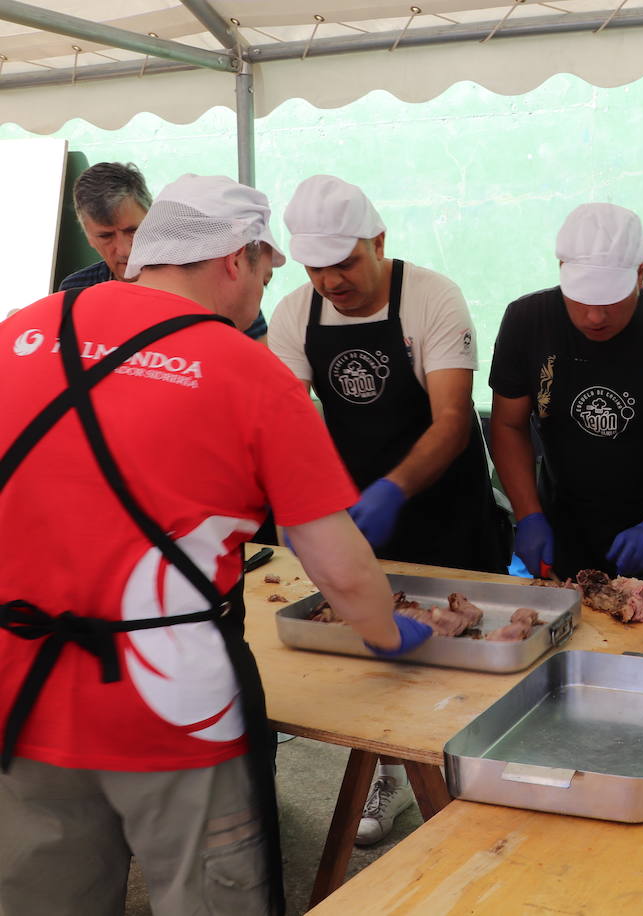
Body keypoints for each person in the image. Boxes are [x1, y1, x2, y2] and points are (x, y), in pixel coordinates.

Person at [0, 175, 430, 916]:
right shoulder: (249, 371)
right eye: (267, 270)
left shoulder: (19, 332)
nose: (265, 290)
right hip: (175, 716)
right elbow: (335, 562)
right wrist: (390, 632)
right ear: (236, 259)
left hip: (19, 697)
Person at [268, 174, 510, 844]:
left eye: (344, 263)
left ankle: (480, 788)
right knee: (380, 662)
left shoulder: (432, 299)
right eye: (317, 267)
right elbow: (289, 424)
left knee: (466, 657)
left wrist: (394, 488)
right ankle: (387, 777)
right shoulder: (295, 313)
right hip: (358, 521)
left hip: (450, 513)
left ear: (378, 240)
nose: (331, 282)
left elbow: (453, 420)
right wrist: (319, 503)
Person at [489, 203, 643, 600]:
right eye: (580, 298)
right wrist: (528, 514)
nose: (594, 316)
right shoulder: (527, 321)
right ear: (561, 267)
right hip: (564, 527)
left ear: (640, 272)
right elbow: (509, 425)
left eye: (610, 300)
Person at [58, 161, 269, 339]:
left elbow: (262, 369)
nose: (124, 249)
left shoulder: (223, 287)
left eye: (133, 230)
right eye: (106, 236)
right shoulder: (74, 292)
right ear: (87, 236)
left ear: (153, 219)